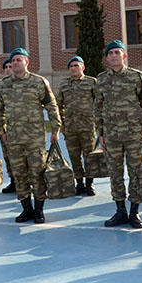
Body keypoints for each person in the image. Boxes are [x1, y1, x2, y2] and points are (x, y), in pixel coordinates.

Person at [95, 40, 142, 228]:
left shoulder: (137, 77)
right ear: (106, 58)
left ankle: (134, 213)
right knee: (115, 173)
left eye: (117, 52)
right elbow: (97, 107)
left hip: (133, 133)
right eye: (111, 53)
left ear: (124, 56)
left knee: (135, 172)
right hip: (112, 134)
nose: (114, 56)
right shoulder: (102, 79)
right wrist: (101, 133)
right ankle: (120, 211)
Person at [0, 48, 62, 223]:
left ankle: (39, 210)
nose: (16, 63)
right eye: (13, 61)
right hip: (14, 139)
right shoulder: (2, 85)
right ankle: (26, 209)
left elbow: (52, 107)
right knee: (19, 175)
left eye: (19, 60)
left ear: (27, 62)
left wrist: (55, 130)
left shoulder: (39, 82)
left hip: (35, 139)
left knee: (37, 174)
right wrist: (1, 132)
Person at [56, 55, 97, 196]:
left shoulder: (92, 82)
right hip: (70, 127)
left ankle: (89, 184)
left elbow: (99, 103)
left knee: (89, 156)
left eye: (76, 65)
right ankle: (79, 183)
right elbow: (58, 106)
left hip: (87, 126)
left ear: (83, 67)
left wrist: (97, 121)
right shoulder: (63, 84)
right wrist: (61, 123)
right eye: (71, 66)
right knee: (74, 156)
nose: (73, 68)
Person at [0, 58, 16, 194]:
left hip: (18, 127)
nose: (8, 69)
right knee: (7, 156)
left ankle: (25, 181)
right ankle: (13, 181)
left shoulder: (20, 84)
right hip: (4, 127)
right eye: (5, 67)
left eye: (10, 66)